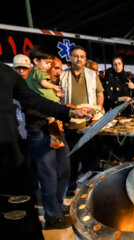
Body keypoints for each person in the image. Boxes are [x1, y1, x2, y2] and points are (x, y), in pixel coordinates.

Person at [0, 62, 93, 239]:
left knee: (21, 216)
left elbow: (35, 100)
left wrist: (71, 112)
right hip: (28, 140)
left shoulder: (5, 72)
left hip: (11, 157)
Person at [24, 49, 72, 229]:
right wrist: (52, 115)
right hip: (40, 131)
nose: (53, 68)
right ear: (36, 63)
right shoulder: (31, 84)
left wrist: (63, 111)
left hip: (55, 131)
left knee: (63, 169)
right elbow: (31, 109)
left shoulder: (49, 84)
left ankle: (57, 207)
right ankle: (52, 218)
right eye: (49, 64)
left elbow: (56, 105)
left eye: (54, 65)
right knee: (49, 175)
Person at [59, 45, 104, 197]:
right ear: (70, 58)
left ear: (85, 59)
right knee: (72, 157)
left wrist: (98, 110)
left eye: (82, 56)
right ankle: (71, 185)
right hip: (70, 122)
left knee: (90, 155)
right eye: (76, 56)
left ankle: (91, 186)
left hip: (89, 123)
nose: (79, 59)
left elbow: (100, 93)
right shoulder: (63, 75)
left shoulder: (92, 74)